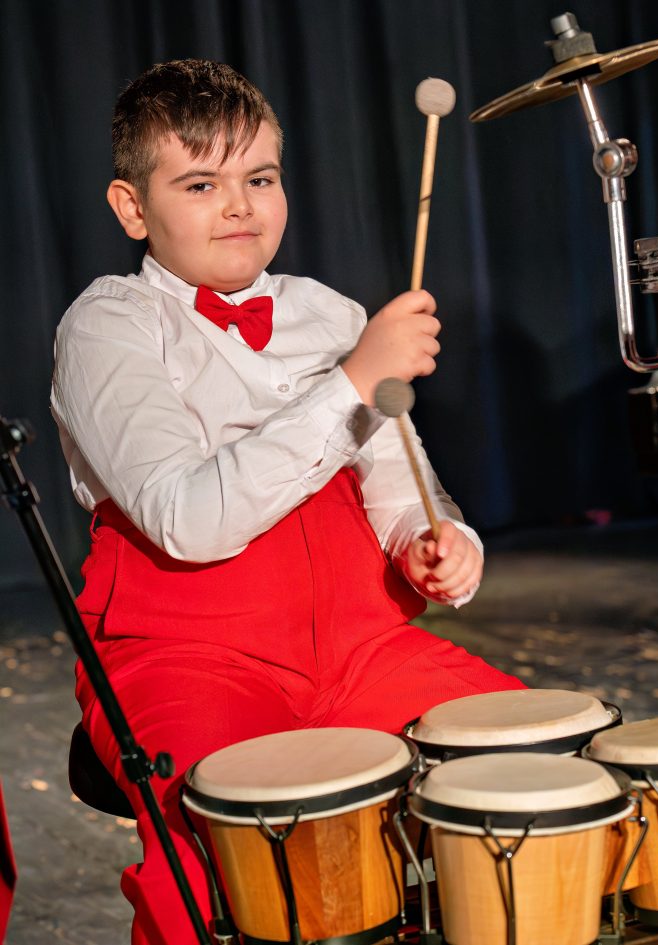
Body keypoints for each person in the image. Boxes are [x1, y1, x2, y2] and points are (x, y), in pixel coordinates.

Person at [50, 59, 524, 944]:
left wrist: (435, 540)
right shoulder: (107, 326)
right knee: (231, 846)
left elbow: (400, 486)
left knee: (523, 770)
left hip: (359, 645)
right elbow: (188, 520)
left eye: (260, 179)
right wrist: (352, 382)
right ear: (132, 207)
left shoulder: (330, 314)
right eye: (201, 184)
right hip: (185, 652)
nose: (240, 206)